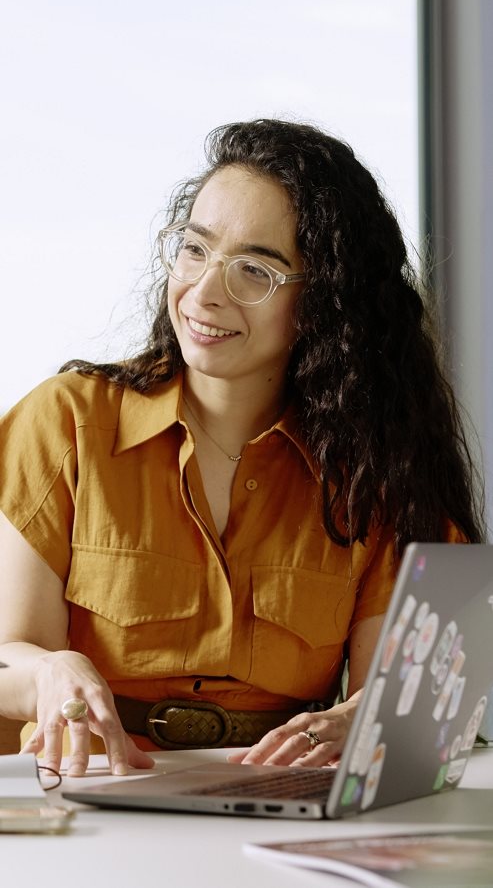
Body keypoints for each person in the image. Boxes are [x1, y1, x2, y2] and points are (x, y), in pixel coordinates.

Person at [0, 118, 484, 778]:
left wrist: (361, 719)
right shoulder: (67, 420)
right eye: (194, 249)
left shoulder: (376, 467)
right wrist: (50, 672)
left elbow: (414, 703)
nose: (203, 293)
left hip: (281, 791)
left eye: (254, 270)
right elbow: (9, 655)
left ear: (323, 300)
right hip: (90, 785)